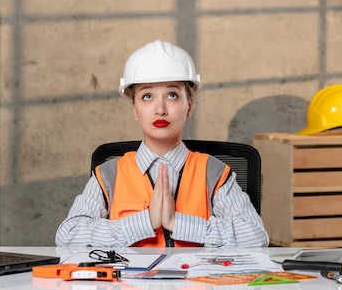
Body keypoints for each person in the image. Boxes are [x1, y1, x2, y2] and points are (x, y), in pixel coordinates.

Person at [55, 39, 268, 247]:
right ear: (135, 109)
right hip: (128, 283)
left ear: (190, 106)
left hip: (196, 281)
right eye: (147, 96)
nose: (160, 109)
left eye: (172, 95)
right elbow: (68, 236)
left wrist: (176, 222)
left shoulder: (214, 172)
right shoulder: (109, 174)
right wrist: (146, 221)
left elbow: (255, 236)